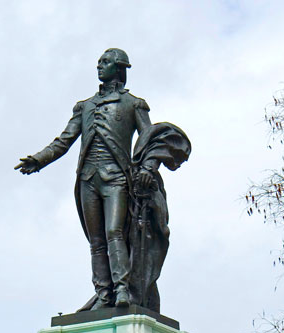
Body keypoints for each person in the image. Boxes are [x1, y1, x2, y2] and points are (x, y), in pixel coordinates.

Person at [16, 49, 189, 311]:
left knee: (114, 232)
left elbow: (149, 139)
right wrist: (39, 160)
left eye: (106, 62)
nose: (99, 65)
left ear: (119, 68)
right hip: (88, 179)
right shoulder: (84, 106)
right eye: (98, 62)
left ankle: (122, 289)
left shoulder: (133, 104)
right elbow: (64, 141)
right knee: (96, 242)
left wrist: (149, 167)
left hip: (117, 178)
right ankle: (104, 294)